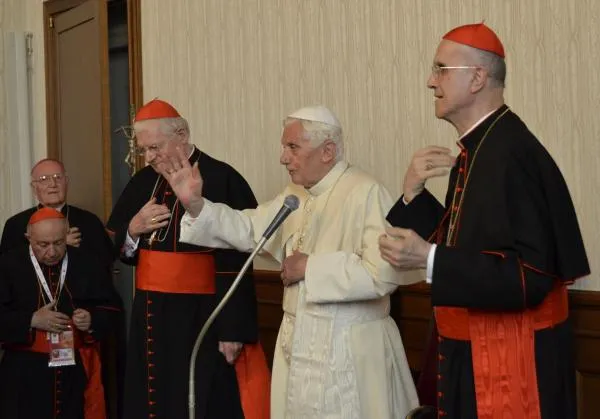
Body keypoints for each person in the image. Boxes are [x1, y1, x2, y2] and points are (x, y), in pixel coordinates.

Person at [379, 23, 590, 419]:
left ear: (477, 77)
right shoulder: (480, 148)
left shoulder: (511, 153)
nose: (430, 81)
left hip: (509, 369)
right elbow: (468, 241)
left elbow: (531, 275)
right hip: (477, 355)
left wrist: (429, 259)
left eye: (441, 69)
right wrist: (412, 195)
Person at [161, 105, 420, 418]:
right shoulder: (295, 193)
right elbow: (249, 227)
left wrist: (309, 267)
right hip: (298, 345)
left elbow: (383, 275)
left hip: (350, 350)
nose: (283, 157)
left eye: (293, 148)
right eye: (285, 148)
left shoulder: (367, 192)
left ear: (327, 151)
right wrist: (196, 205)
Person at [106, 99, 270, 419]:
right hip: (150, 313)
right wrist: (133, 229)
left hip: (203, 316)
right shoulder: (142, 182)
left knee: (202, 399)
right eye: (144, 150)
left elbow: (238, 261)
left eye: (155, 147)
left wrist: (232, 329)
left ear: (181, 133)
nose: (149, 157)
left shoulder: (222, 177)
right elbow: (121, 251)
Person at [0, 207, 121, 419]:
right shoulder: (8, 265)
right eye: (43, 245)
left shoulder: (87, 262)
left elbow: (113, 308)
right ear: (29, 238)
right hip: (24, 373)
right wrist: (32, 319)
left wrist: (91, 319)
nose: (52, 252)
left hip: (75, 371)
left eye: (58, 243)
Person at [0, 158, 114, 272]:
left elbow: (104, 264)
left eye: (58, 177)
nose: (53, 184)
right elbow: (7, 268)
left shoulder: (90, 221)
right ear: (34, 188)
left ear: (67, 182)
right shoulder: (15, 224)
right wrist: (60, 247)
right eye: (44, 179)